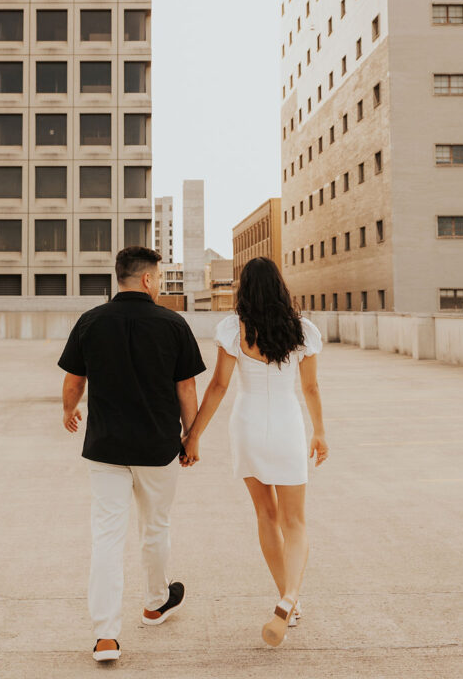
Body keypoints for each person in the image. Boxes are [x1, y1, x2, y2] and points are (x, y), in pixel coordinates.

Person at [58, 246, 206, 663]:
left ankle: (106, 637)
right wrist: (191, 437)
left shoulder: (91, 322)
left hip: (105, 449)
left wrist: (69, 411)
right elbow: (187, 389)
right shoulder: (173, 323)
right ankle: (156, 603)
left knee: (106, 537)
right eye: (158, 277)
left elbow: (74, 380)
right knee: (155, 528)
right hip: (158, 449)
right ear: (146, 279)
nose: (159, 284)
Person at [181, 256, 328, 648]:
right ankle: (291, 596)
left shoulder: (234, 329)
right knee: (295, 521)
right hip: (286, 425)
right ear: (280, 287)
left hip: (246, 426)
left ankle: (288, 601)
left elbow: (218, 387)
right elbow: (310, 389)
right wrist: (320, 433)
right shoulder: (303, 330)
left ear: (244, 289)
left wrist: (193, 435)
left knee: (266, 516)